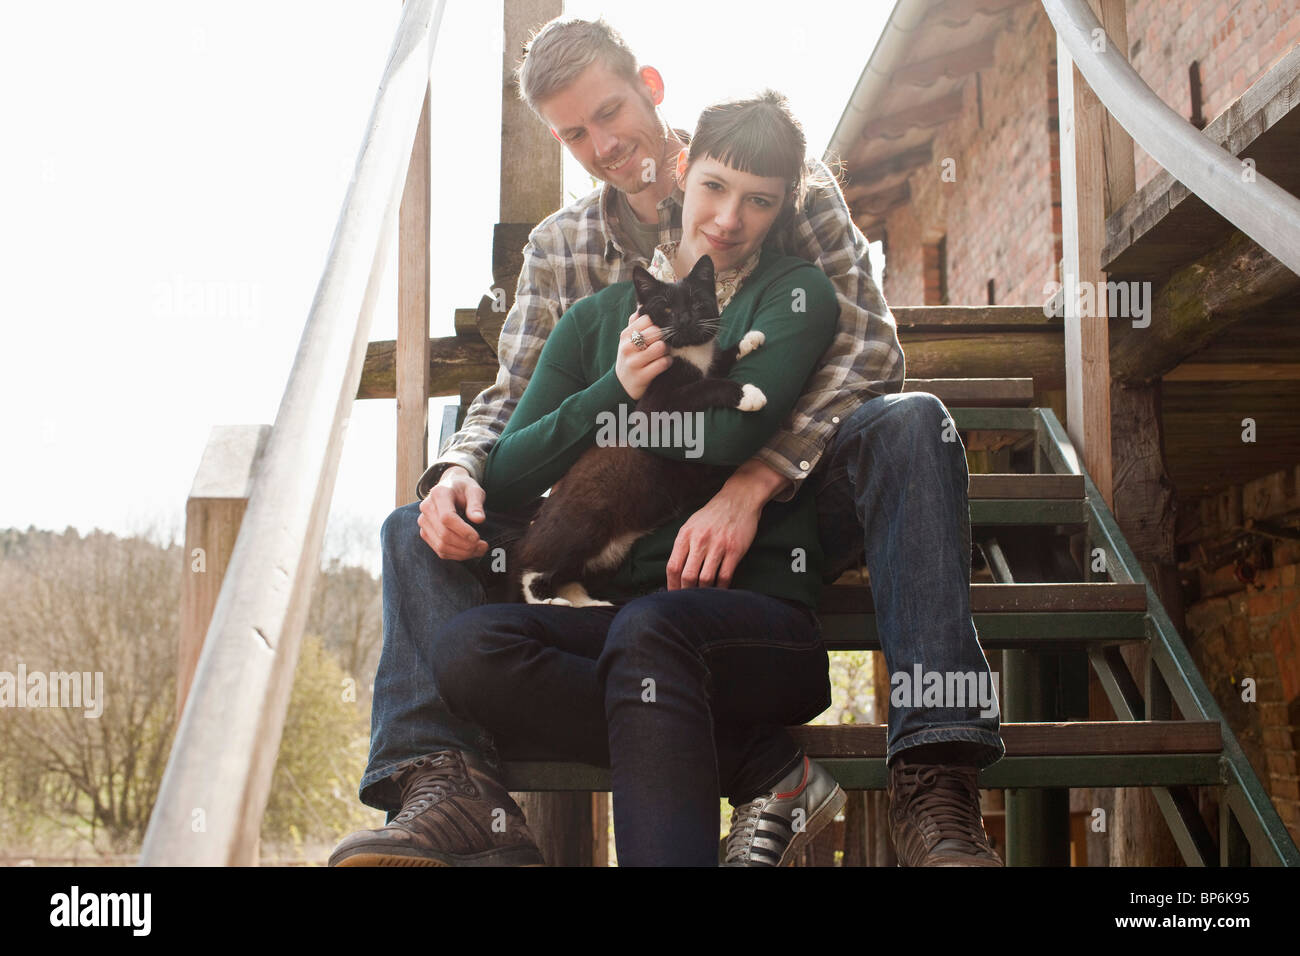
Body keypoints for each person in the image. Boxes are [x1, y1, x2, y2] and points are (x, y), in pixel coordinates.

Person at [330, 16, 1003, 868]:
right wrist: (463, 468)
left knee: (911, 422)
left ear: (651, 84)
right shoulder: (562, 249)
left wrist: (754, 479)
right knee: (411, 531)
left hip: (795, 501)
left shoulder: (784, 185)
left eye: (611, 111)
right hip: (631, 526)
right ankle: (447, 784)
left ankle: (934, 777)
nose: (604, 145)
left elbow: (871, 350)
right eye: (574, 133)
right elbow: (512, 399)